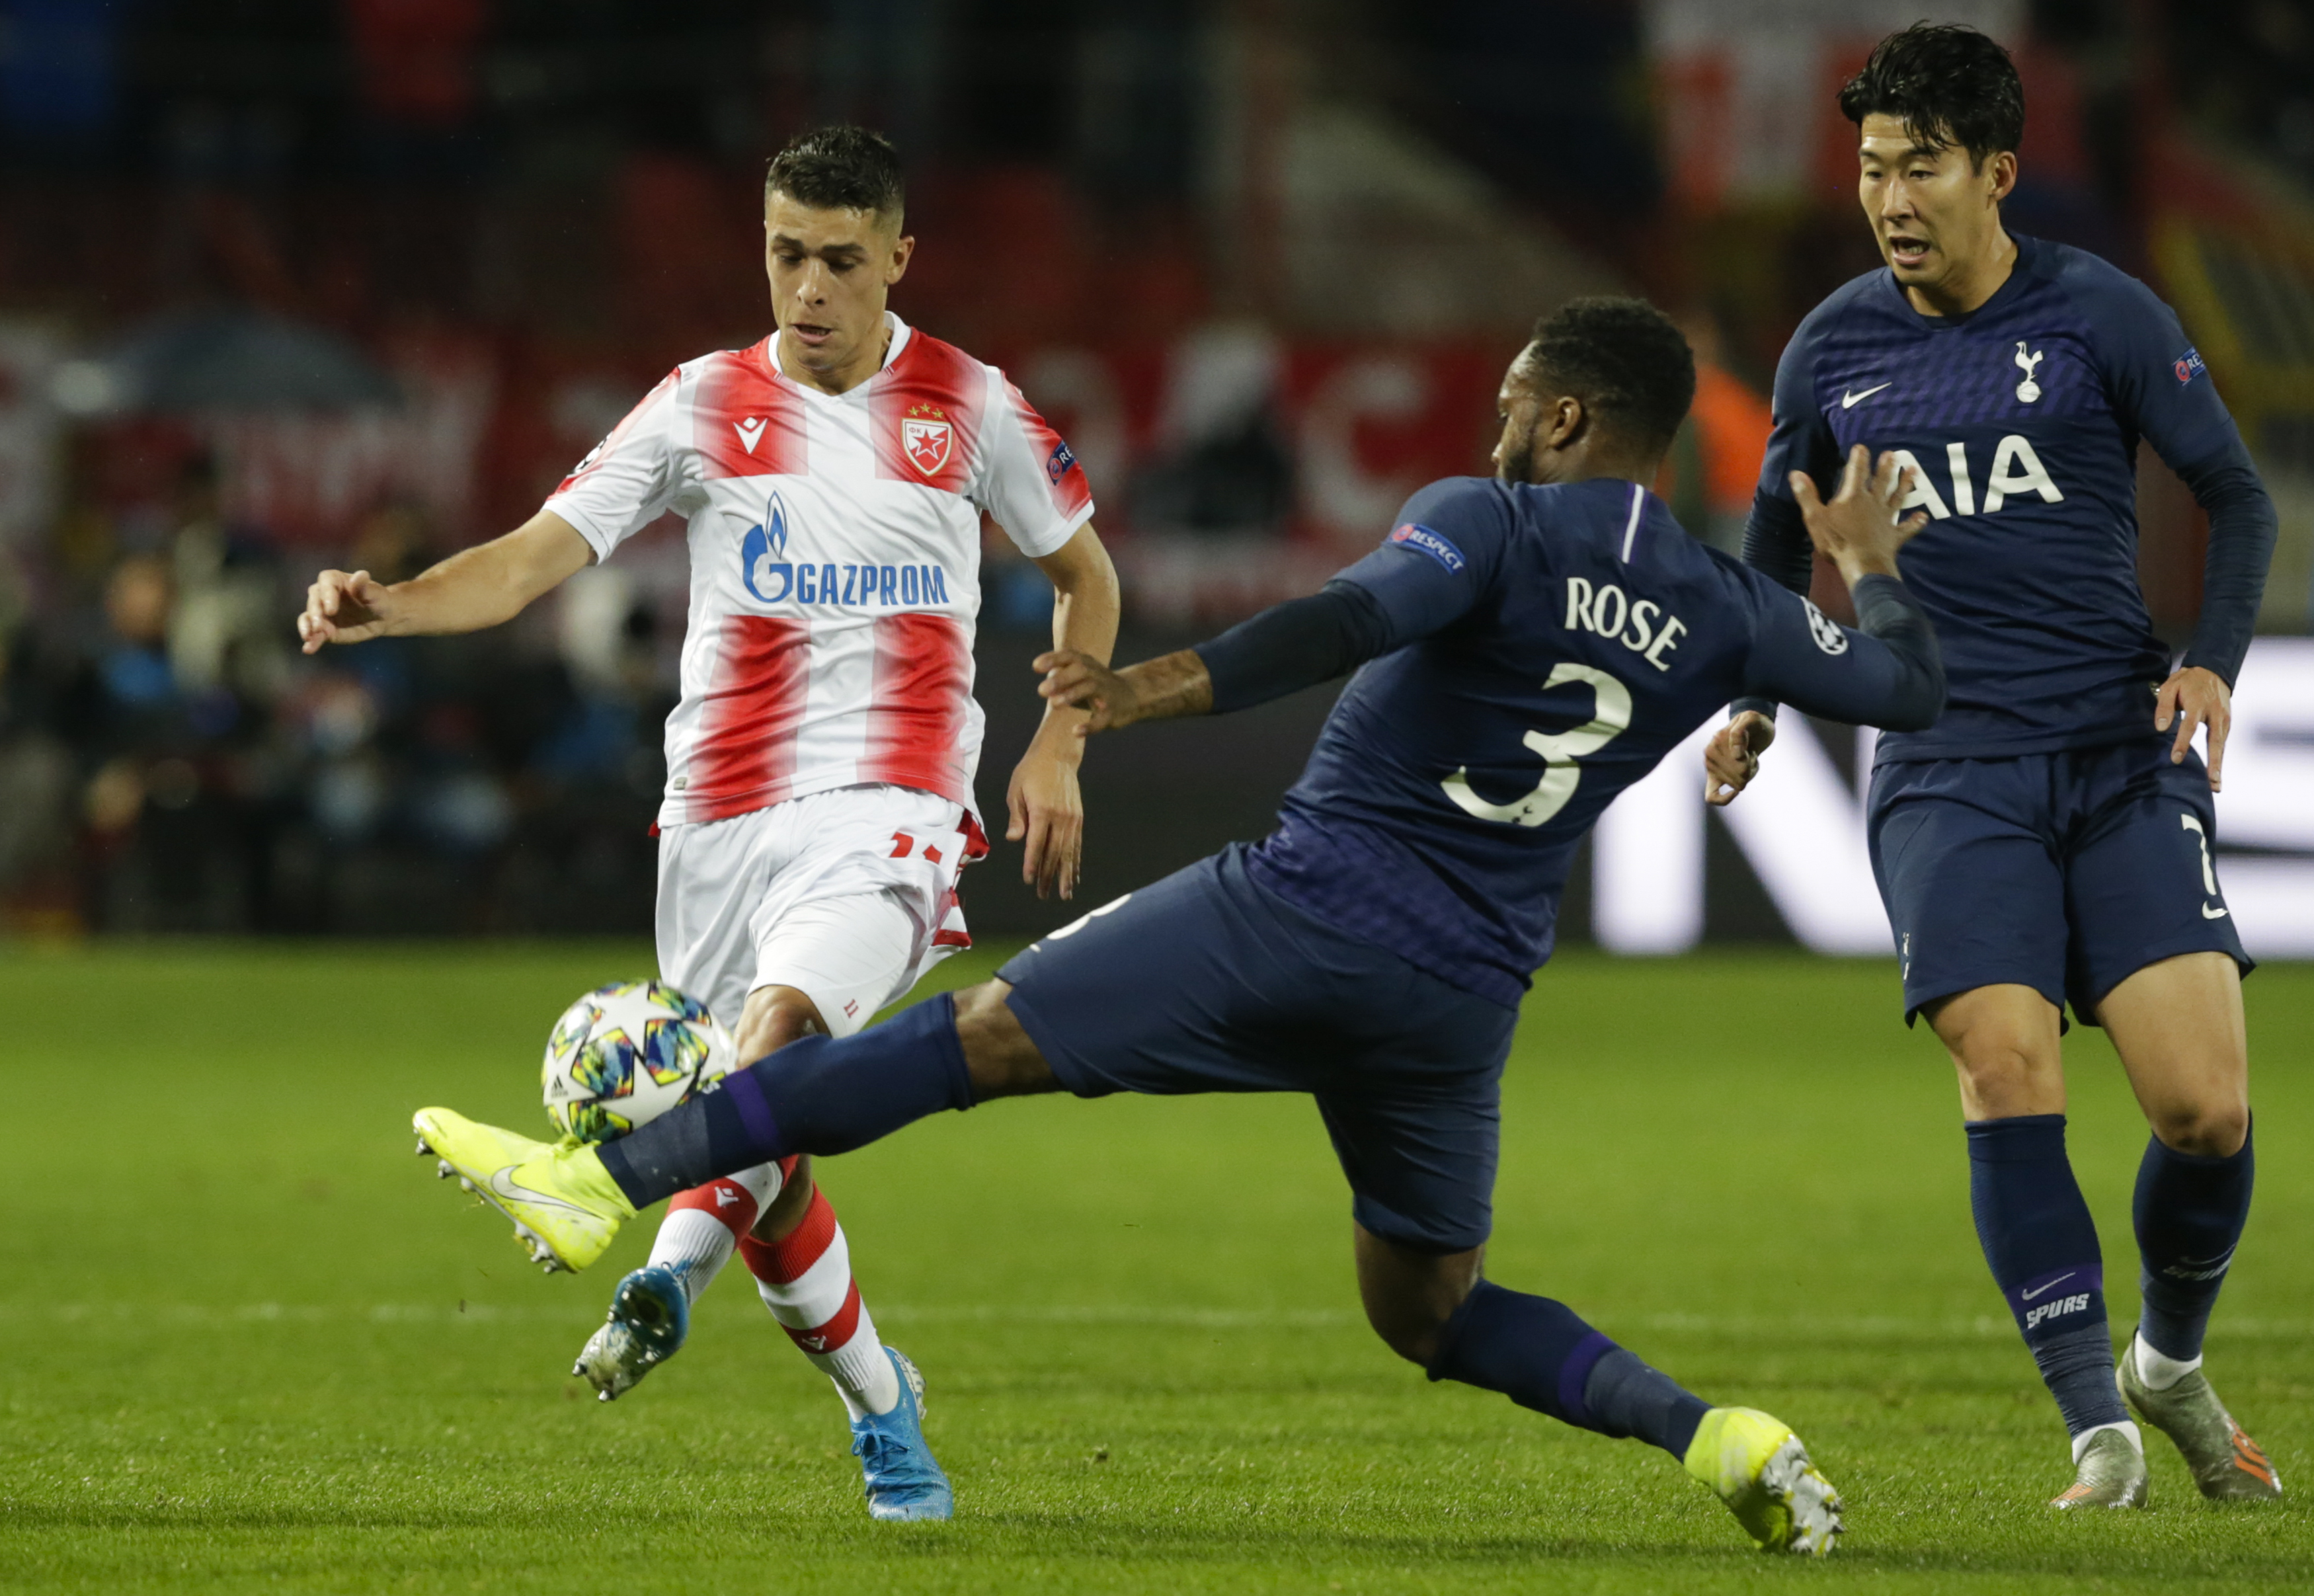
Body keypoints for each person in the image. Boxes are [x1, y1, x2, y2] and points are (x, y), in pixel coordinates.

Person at [410, 298, 1945, 1554]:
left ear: (1564, 420)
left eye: (1508, 405)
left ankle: (597, 1175)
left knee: (970, 1036)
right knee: (1431, 1307)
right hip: (1460, 993)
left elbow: (1346, 621)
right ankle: (1712, 1434)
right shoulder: (1725, 609)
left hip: (1306, 904)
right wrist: (1869, 571)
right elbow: (1904, 686)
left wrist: (1146, 689)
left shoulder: (1489, 521)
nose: (1490, 432)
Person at [300, 126, 1119, 1522]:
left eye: (839, 261)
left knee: (777, 1045)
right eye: (784, 252)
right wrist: (392, 602)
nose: (806, 286)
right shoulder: (696, 405)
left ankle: (629, 1229)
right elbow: (528, 563)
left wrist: (1057, 742)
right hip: (718, 824)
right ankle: (882, 1403)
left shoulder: (969, 407)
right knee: (755, 1123)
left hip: (892, 809)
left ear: (897, 262)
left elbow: (1086, 580)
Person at [1703, 24, 2280, 1511]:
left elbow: (2232, 490)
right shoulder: (1830, 345)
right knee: (2002, 1061)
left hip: (2114, 752)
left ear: (1996, 174)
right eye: (1871, 167)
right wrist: (1760, 697)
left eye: (1921, 166)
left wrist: (2209, 653)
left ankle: (2166, 1357)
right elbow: (1777, 533)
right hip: (1944, 768)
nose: (1889, 195)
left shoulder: (2099, 314)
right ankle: (2097, 1426)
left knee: (2204, 1113)